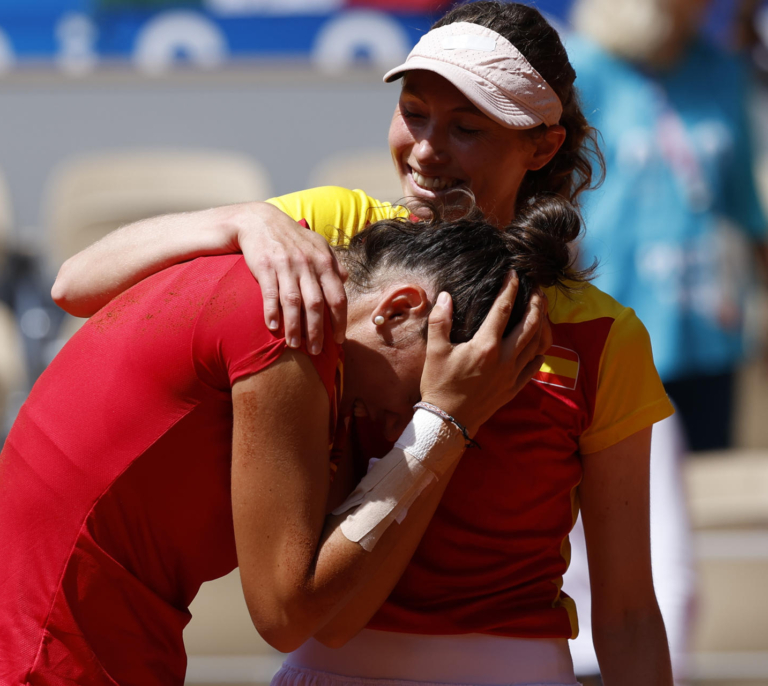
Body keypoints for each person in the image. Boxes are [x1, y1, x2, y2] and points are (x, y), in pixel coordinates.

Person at [51, 3, 676, 684]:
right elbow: (77, 283)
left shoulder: (603, 335)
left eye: (466, 128)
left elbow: (628, 611)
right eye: (413, 113)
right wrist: (241, 220)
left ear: (543, 147)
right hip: (323, 660)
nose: (427, 151)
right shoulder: (330, 227)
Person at [0, 207, 554, 685]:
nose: (394, 429)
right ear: (399, 310)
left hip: (80, 644)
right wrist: (441, 423)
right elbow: (286, 615)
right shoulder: (290, 321)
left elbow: (334, 618)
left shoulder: (311, 324)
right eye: (420, 390)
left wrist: (443, 423)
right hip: (47, 655)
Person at [569, 0, 768, 452]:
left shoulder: (722, 71)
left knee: (707, 490)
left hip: (710, 324)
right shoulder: (585, 67)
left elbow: (745, 205)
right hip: (616, 322)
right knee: (625, 493)